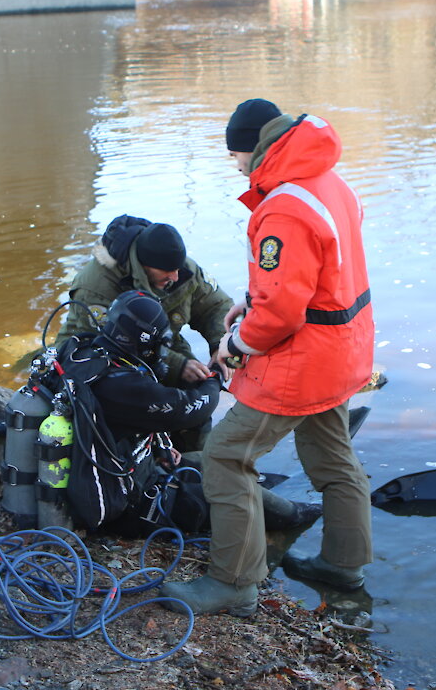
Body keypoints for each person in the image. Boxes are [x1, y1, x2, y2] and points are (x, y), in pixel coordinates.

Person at [159, 99, 376, 617]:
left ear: (256, 147)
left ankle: (234, 582)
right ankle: (345, 566)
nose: (235, 165)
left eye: (235, 154)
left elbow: (281, 314)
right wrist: (253, 302)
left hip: (302, 362)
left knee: (228, 454)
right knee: (333, 456)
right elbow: (316, 276)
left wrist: (234, 345)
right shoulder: (329, 182)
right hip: (344, 351)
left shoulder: (283, 205)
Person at [60, 289, 321, 536]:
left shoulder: (85, 354)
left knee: (215, 461)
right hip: (130, 504)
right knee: (232, 490)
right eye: (160, 345)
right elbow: (192, 408)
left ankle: (272, 485)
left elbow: (121, 424)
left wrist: (159, 450)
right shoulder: (120, 384)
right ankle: (298, 515)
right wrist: (215, 377)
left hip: (124, 471)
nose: (161, 353)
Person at [57, 216, 234, 389]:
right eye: (167, 271)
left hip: (164, 343)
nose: (175, 277)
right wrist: (177, 365)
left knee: (197, 386)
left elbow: (216, 306)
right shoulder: (97, 285)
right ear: (145, 265)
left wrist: (223, 345)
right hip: (96, 355)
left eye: (177, 269)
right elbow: (109, 343)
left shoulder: (183, 270)